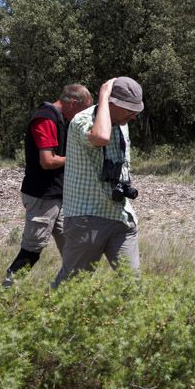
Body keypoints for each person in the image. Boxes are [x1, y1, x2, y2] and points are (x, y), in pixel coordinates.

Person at [52, 77, 143, 287]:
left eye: (136, 110)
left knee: (132, 286)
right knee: (70, 287)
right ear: (110, 102)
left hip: (120, 215)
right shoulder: (83, 120)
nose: (134, 115)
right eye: (129, 109)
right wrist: (103, 94)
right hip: (88, 217)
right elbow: (101, 137)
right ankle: (48, 318)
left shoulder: (123, 123)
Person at [3, 84, 93, 287]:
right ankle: (7, 290)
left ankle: (73, 293)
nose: (82, 116)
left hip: (57, 194)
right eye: (82, 111)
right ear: (72, 103)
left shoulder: (61, 119)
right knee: (33, 248)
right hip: (42, 195)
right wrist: (76, 158)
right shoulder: (45, 118)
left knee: (74, 247)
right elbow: (47, 161)